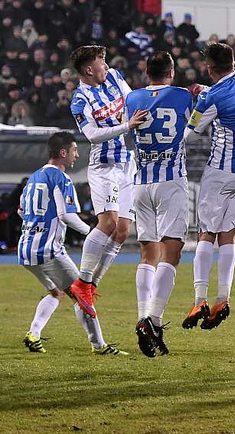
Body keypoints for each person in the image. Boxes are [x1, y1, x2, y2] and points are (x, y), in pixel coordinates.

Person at [19, 132, 127, 356]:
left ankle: (33, 334)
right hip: (48, 250)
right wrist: (92, 232)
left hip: (25, 249)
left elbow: (21, 211)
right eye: (74, 150)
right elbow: (66, 215)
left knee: (56, 293)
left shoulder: (34, 177)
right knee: (81, 294)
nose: (76, 155)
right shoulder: (60, 178)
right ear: (63, 153)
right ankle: (99, 346)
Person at [181, 43, 235, 330]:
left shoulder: (210, 99)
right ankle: (222, 299)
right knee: (229, 235)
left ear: (209, 67)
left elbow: (190, 135)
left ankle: (200, 299)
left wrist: (197, 101)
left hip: (221, 173)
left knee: (206, 234)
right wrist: (206, 91)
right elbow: (223, 93)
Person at [68, 45, 148, 317]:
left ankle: (91, 286)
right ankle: (82, 281)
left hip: (127, 163)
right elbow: (91, 134)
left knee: (123, 231)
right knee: (109, 222)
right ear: (89, 69)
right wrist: (126, 126)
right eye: (101, 61)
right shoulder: (80, 100)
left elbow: (131, 100)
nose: (106, 65)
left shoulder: (113, 76)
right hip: (104, 167)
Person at [126, 51, 192, 357]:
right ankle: (152, 319)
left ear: (146, 72)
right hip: (170, 181)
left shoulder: (133, 99)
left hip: (141, 183)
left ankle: (143, 317)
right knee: (172, 250)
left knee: (147, 253)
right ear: (171, 72)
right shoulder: (181, 95)